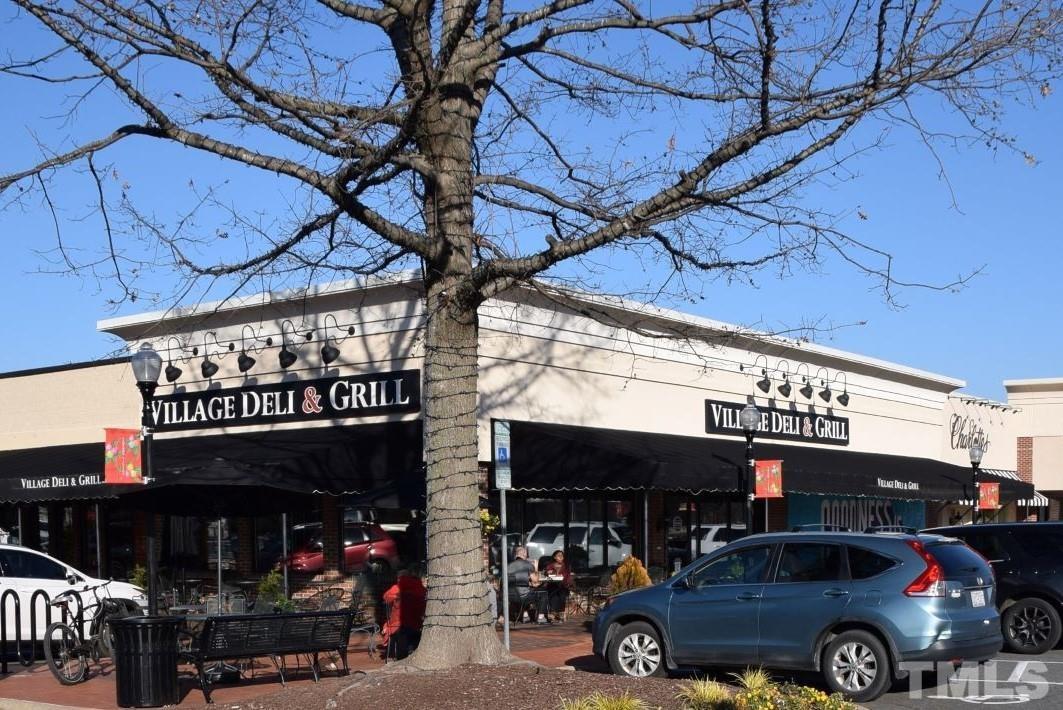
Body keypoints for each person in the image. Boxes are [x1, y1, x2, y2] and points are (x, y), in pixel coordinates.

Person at [380, 566, 427, 659]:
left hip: (398, 624)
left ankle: (399, 654)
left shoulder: (397, 588)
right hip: (418, 623)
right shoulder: (419, 587)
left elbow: (385, 597)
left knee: (395, 627)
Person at [508, 546, 549, 623]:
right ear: (524, 554)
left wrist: (528, 583)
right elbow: (536, 580)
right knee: (543, 593)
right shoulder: (527, 565)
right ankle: (541, 617)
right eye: (526, 554)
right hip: (523, 596)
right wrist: (536, 567)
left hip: (510, 596)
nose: (527, 556)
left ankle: (525, 615)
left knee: (527, 591)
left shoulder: (508, 565)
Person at [543, 549, 573, 622]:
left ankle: (561, 613)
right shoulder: (550, 565)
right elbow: (547, 573)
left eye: (562, 556)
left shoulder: (566, 566)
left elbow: (567, 576)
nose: (561, 557)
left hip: (563, 585)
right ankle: (553, 613)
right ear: (554, 557)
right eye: (559, 556)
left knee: (562, 593)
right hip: (552, 585)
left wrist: (564, 578)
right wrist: (548, 572)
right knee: (553, 593)